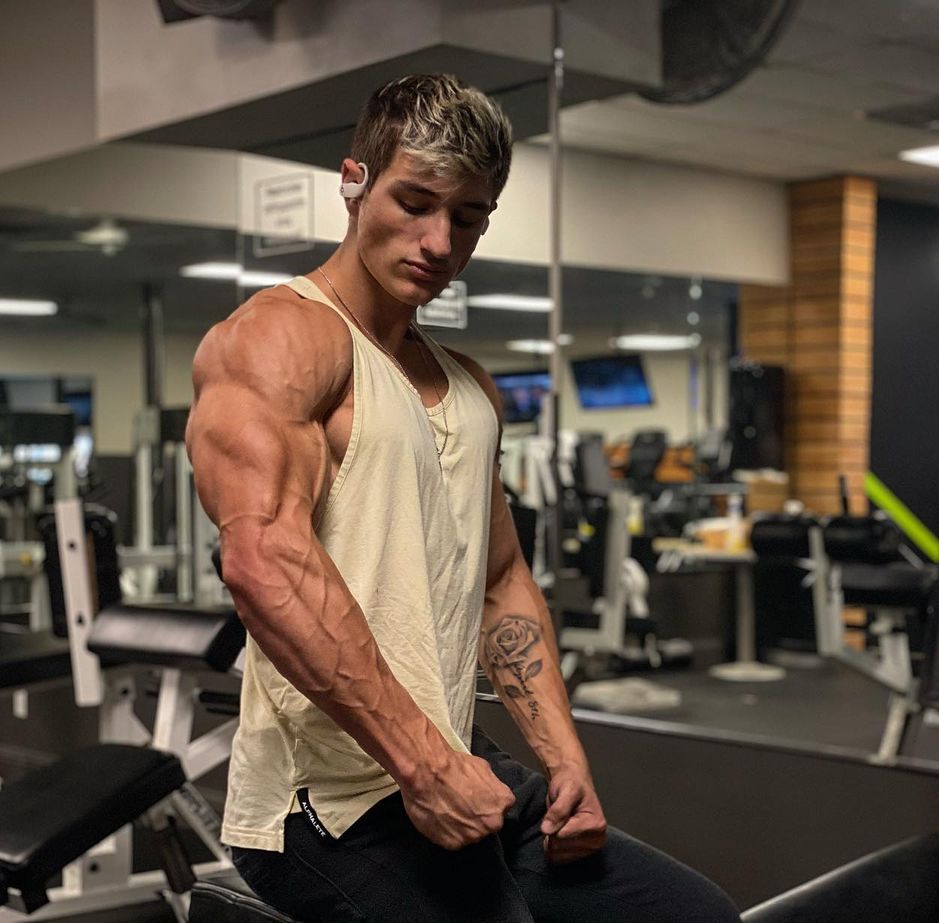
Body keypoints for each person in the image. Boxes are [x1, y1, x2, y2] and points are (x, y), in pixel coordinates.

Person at [187, 73, 741, 923]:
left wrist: (564, 760)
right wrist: (423, 764)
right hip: (327, 807)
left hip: (458, 765)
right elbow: (263, 561)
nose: (439, 241)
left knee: (694, 914)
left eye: (469, 218)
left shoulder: (468, 386)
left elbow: (500, 578)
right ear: (354, 182)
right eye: (415, 202)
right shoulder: (282, 338)